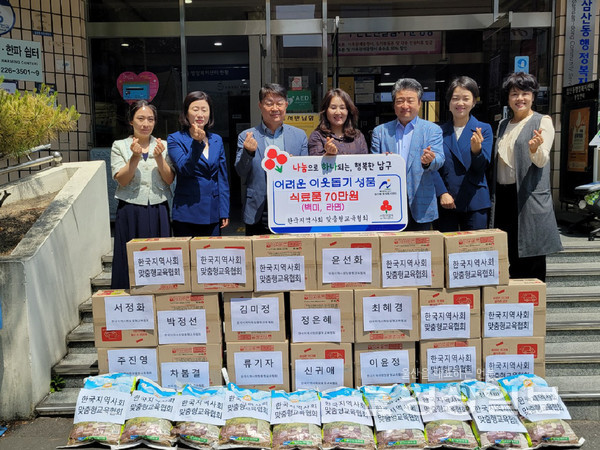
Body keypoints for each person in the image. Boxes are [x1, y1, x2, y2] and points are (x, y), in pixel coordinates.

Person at [490, 72, 562, 281]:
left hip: (529, 198)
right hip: (504, 198)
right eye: (514, 94)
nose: (519, 98)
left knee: (532, 256)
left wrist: (535, 149)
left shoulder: (542, 121)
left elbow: (541, 161)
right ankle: (512, 306)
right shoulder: (503, 124)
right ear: (508, 98)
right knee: (509, 253)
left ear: (533, 96)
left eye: (525, 93)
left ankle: (532, 306)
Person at [110, 100, 174, 289]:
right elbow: (122, 179)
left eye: (150, 119)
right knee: (128, 256)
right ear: (131, 121)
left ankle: (160, 297)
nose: (146, 124)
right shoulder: (120, 146)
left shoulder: (164, 145)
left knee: (159, 256)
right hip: (130, 208)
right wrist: (135, 156)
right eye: (140, 118)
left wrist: (160, 156)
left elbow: (169, 179)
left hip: (158, 207)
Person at [370, 78, 444, 231]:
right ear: (394, 104)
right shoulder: (380, 132)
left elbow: (440, 159)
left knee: (420, 252)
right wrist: (381, 164)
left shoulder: (432, 130)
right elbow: (372, 165)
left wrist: (429, 161)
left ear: (419, 103)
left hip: (420, 203)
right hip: (387, 204)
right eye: (400, 101)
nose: (405, 106)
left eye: (410, 100)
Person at [235, 83, 308, 235]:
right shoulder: (247, 136)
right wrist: (248, 152)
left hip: (291, 206)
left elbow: (307, 173)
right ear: (260, 106)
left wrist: (295, 165)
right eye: (269, 103)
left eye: (279, 103)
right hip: (258, 209)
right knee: (258, 256)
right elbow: (240, 171)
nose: (275, 108)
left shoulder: (299, 136)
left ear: (286, 105)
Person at [433, 76, 493, 231]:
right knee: (447, 251)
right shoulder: (438, 132)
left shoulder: (483, 129)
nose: (460, 103)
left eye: (466, 98)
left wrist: (476, 150)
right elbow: (432, 167)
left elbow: (482, 167)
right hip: (447, 200)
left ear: (473, 102)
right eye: (455, 98)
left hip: (475, 200)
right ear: (449, 103)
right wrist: (442, 193)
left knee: (474, 251)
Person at [168, 91, 230, 237]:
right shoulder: (175, 139)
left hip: (212, 211)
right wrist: (197, 143)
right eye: (195, 110)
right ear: (186, 113)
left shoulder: (216, 140)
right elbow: (184, 169)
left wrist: (224, 210)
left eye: (204, 110)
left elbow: (222, 177)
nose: (200, 114)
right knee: (188, 258)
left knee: (211, 255)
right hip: (187, 211)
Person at [308, 88, 368, 155]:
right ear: (325, 111)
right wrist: (328, 154)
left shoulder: (358, 136)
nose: (338, 112)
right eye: (333, 108)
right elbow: (315, 163)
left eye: (342, 108)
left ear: (348, 111)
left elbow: (364, 162)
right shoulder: (317, 136)